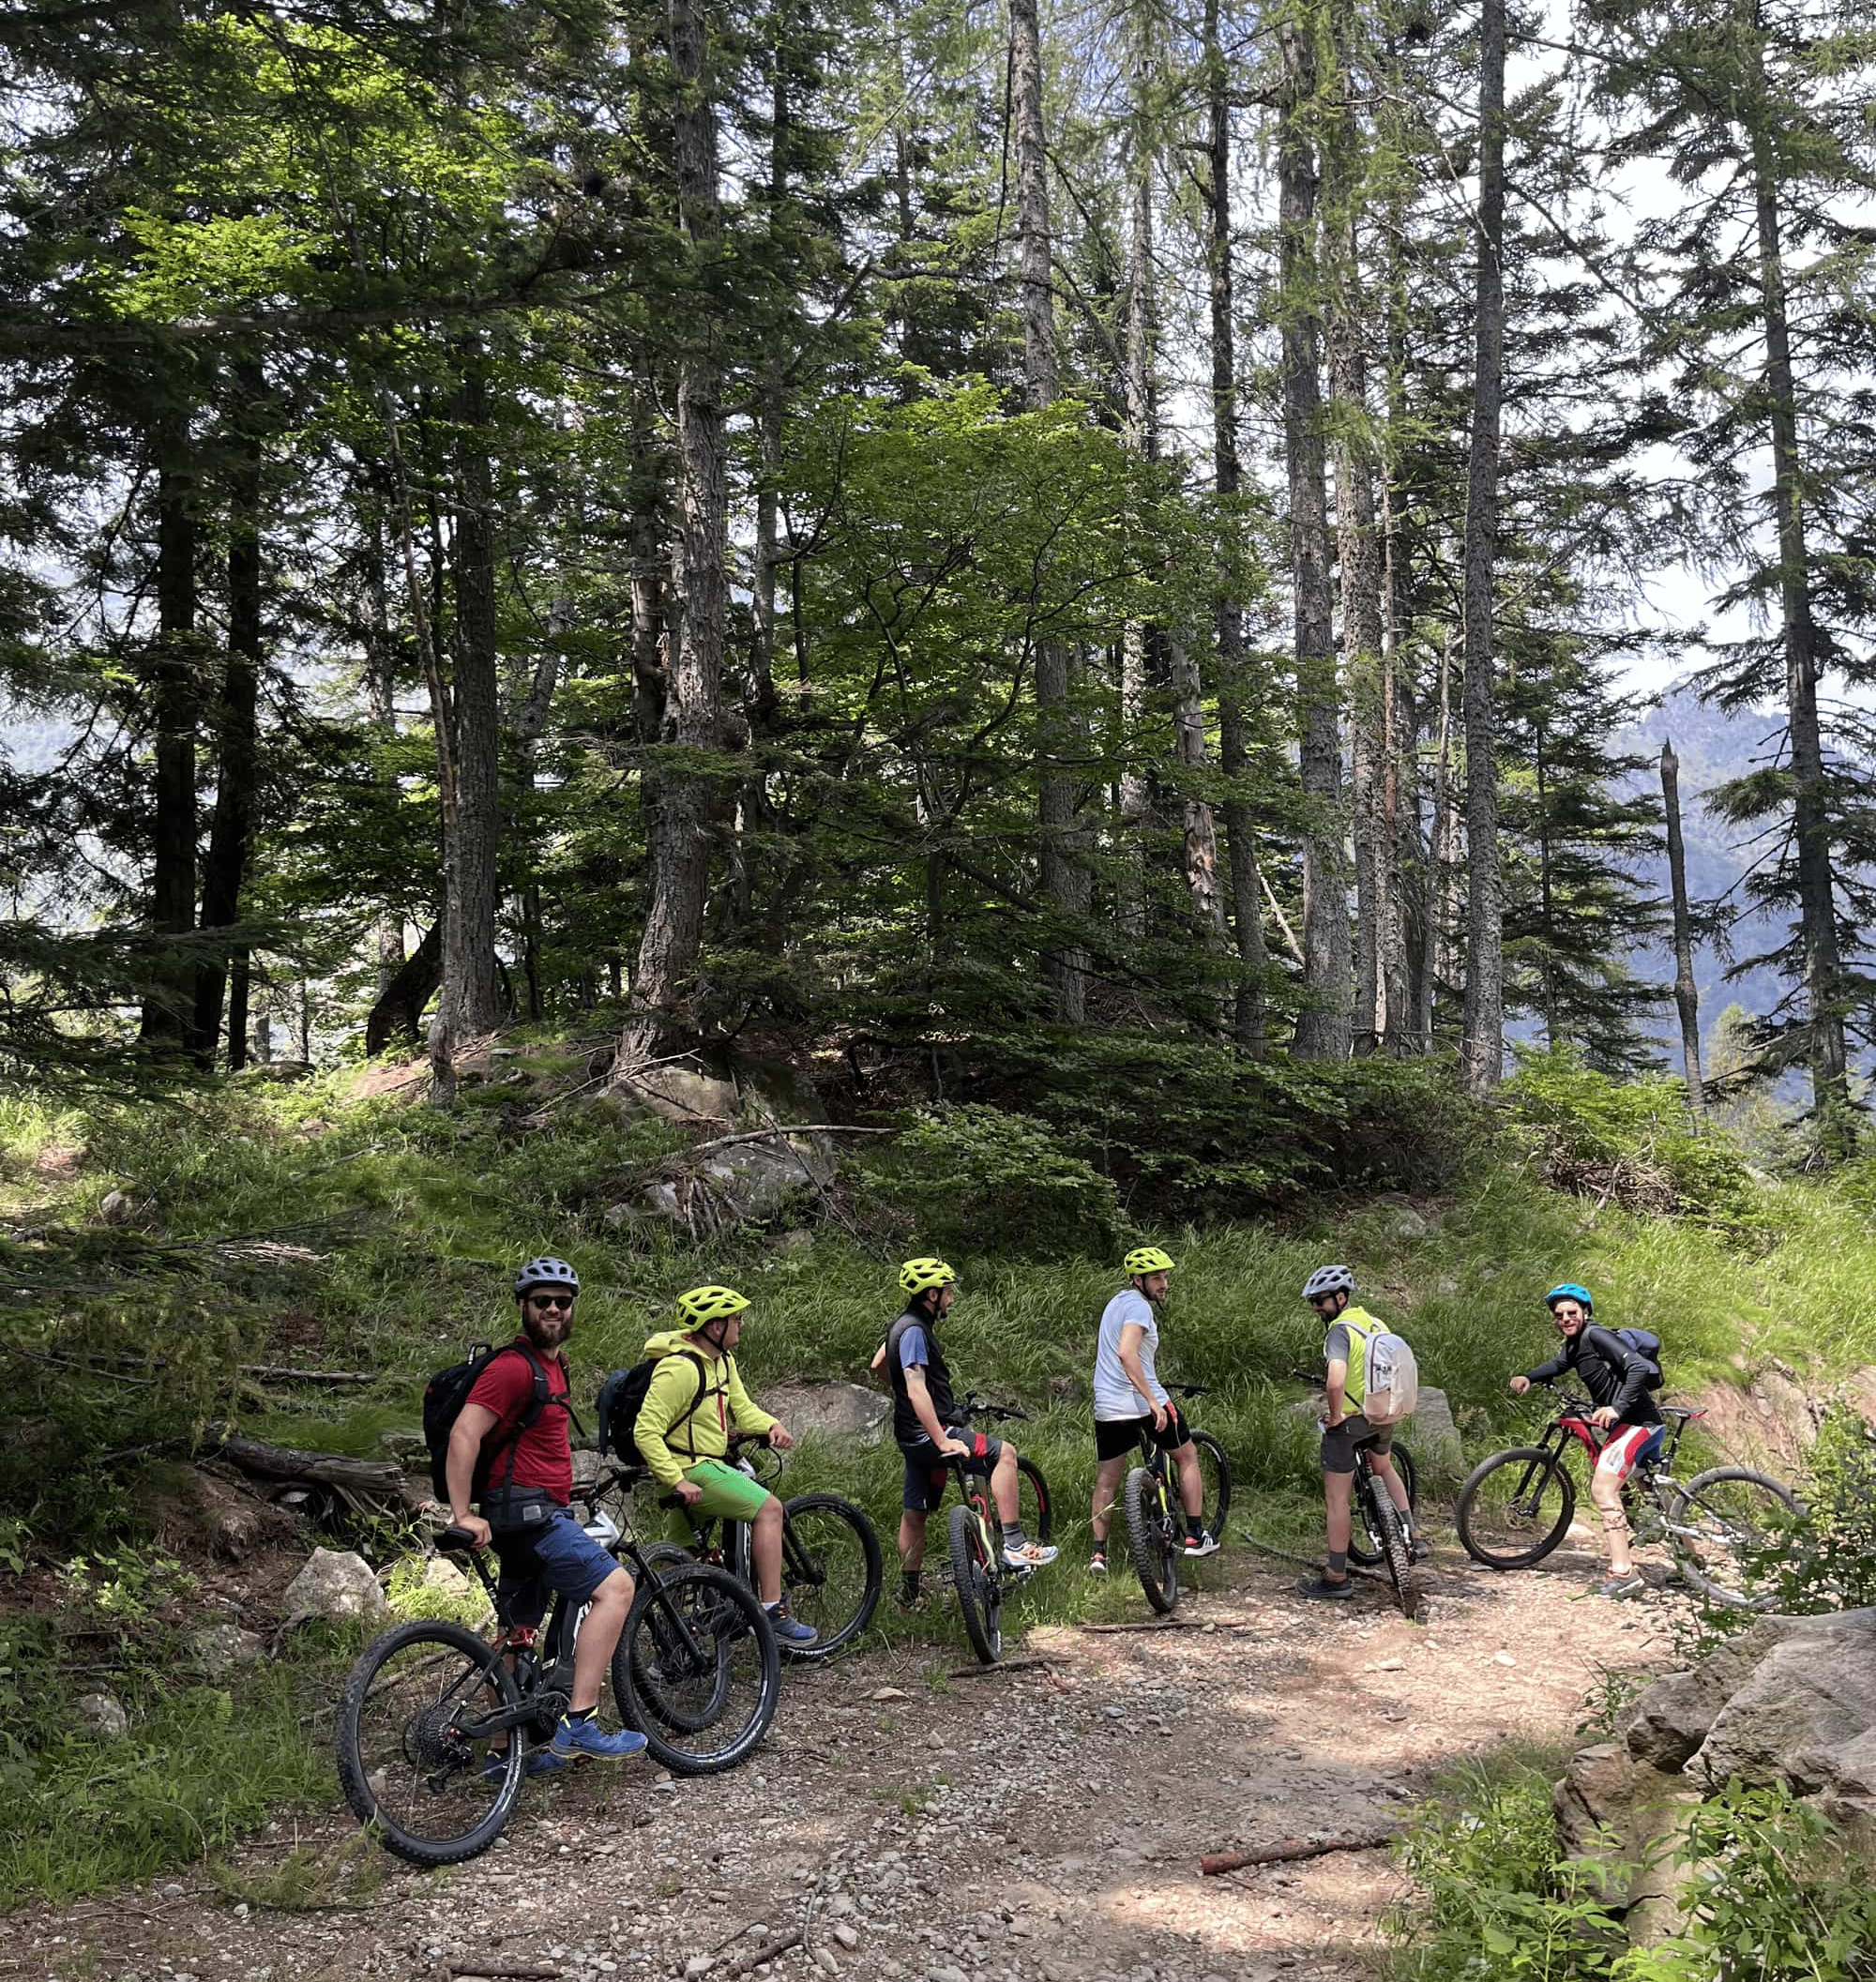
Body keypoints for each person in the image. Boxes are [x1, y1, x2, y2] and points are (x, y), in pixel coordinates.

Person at [446, 1256, 648, 1772]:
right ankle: (580, 1724)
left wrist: (567, 1487)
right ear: (524, 1307)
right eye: (542, 1302)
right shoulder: (512, 1368)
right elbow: (465, 1434)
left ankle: (501, 1754)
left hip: (531, 1509)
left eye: (562, 1301)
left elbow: (531, 1444)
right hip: (529, 1516)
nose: (553, 1309)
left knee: (518, 1630)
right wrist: (461, 1513)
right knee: (617, 1589)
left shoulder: (553, 1366)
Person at [634, 1284, 819, 1647]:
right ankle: (770, 1611)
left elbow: (741, 1406)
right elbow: (646, 1431)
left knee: (684, 1557)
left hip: (698, 1467)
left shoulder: (722, 1361)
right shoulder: (679, 1369)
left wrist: (769, 1425)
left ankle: (670, 1647)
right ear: (715, 1326)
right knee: (770, 1510)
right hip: (690, 1470)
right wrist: (676, 1479)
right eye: (736, 1319)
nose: (741, 1325)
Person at [870, 1257, 1058, 1611]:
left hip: (909, 1435)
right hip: (932, 1433)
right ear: (931, 1294)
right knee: (1005, 1454)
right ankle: (1015, 1546)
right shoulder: (914, 1331)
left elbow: (879, 1365)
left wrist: (906, 1400)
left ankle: (909, 1594)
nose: (951, 1298)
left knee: (915, 1513)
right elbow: (915, 1388)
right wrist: (942, 1438)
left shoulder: (899, 1325)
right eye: (947, 1291)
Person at [1510, 1282, 1664, 1598]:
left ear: (1585, 1312)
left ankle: (1624, 1573)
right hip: (1630, 1425)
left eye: (1571, 1312)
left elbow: (1636, 1366)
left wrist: (1617, 1406)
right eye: (1559, 1315)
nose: (1565, 1318)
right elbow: (1560, 1365)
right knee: (1649, 1486)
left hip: (1639, 1423)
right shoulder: (1575, 1343)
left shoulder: (1596, 1335)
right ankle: (1694, 1561)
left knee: (1603, 1489)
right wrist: (1530, 1376)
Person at [1088, 1245, 1217, 1573]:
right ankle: (1195, 1535)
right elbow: (1126, 1353)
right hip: (1142, 1402)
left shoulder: (1114, 1303)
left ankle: (1099, 1555)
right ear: (1137, 1280)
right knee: (1186, 1456)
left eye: (1165, 1277)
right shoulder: (1139, 1309)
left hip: (1107, 1406)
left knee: (1107, 1480)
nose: (1164, 1284)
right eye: (1156, 1278)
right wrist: (1150, 1400)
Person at [1296, 1263, 1419, 1600]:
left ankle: (1336, 1576)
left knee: (1337, 1497)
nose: (1316, 1308)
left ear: (1340, 1297)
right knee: (1383, 1466)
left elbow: (1336, 1379)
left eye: (1320, 1301)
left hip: (1351, 1420)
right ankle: (1412, 1536)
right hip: (1383, 1413)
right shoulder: (1377, 1323)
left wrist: (1335, 1415)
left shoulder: (1339, 1330)